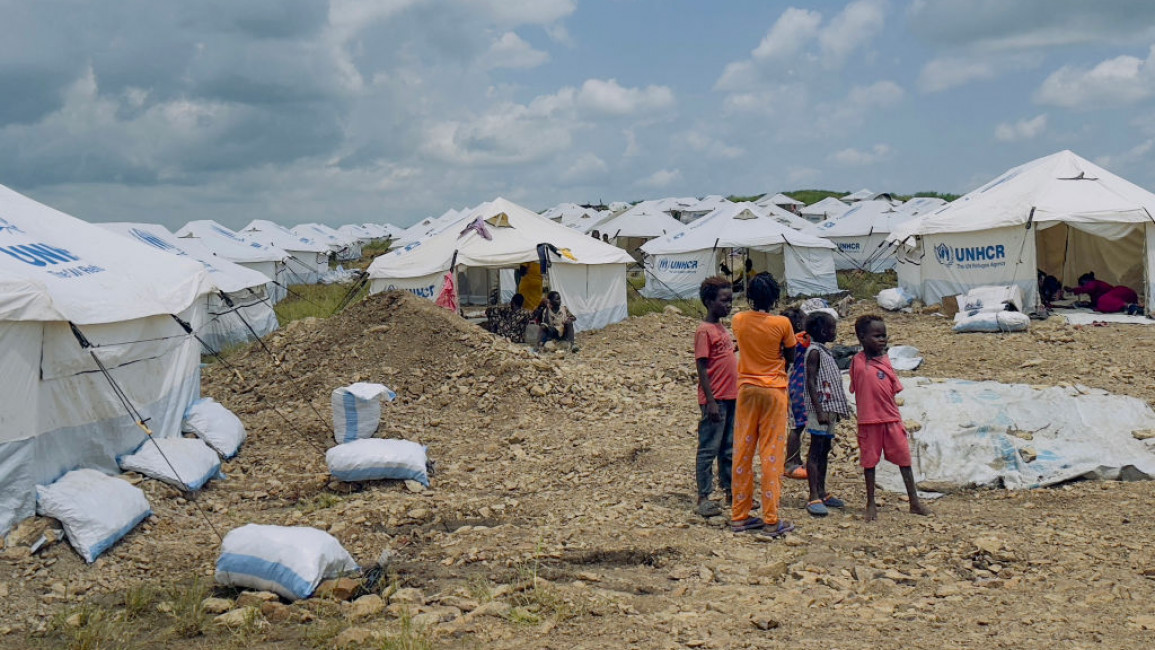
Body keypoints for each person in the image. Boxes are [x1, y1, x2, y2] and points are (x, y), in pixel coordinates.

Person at [729, 273, 796, 537]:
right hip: (774, 390)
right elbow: (790, 354)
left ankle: (740, 515)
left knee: (743, 450)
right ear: (775, 297)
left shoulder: (739, 320)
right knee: (771, 454)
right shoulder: (783, 323)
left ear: (750, 296)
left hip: (746, 389)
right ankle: (771, 519)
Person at [850, 315, 931, 522]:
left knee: (904, 459)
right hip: (868, 422)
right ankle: (870, 503)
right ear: (861, 337)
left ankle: (914, 501)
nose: (882, 340)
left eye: (884, 336)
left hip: (891, 418)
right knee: (869, 462)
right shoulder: (856, 362)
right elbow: (855, 386)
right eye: (876, 336)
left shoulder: (885, 362)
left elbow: (894, 388)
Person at [693, 277, 738, 518]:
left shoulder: (721, 328)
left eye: (730, 300)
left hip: (731, 396)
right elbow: (701, 366)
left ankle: (730, 491)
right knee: (709, 448)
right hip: (716, 399)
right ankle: (704, 496)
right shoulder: (704, 330)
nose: (729, 305)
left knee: (729, 448)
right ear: (709, 301)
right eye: (724, 300)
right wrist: (710, 400)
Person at [802, 312, 851, 517]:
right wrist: (820, 410)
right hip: (819, 409)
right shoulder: (814, 352)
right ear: (823, 331)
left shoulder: (825, 352)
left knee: (824, 449)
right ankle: (813, 495)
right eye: (832, 328)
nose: (835, 332)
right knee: (815, 450)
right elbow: (811, 382)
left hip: (829, 408)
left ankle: (822, 491)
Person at [781, 308, 809, 481]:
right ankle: (791, 463)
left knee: (797, 425)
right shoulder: (802, 340)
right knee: (797, 426)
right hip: (799, 387)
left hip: (793, 385)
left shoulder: (785, 342)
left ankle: (795, 460)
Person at [1067, 272, 1141, 314]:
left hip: (1121, 292)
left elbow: (1088, 288)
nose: (1082, 286)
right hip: (1127, 295)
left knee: (1102, 301)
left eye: (1082, 284)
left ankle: (1130, 307)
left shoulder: (1093, 283)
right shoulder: (1095, 289)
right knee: (1102, 303)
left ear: (1087, 281)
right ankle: (1131, 307)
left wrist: (1073, 290)